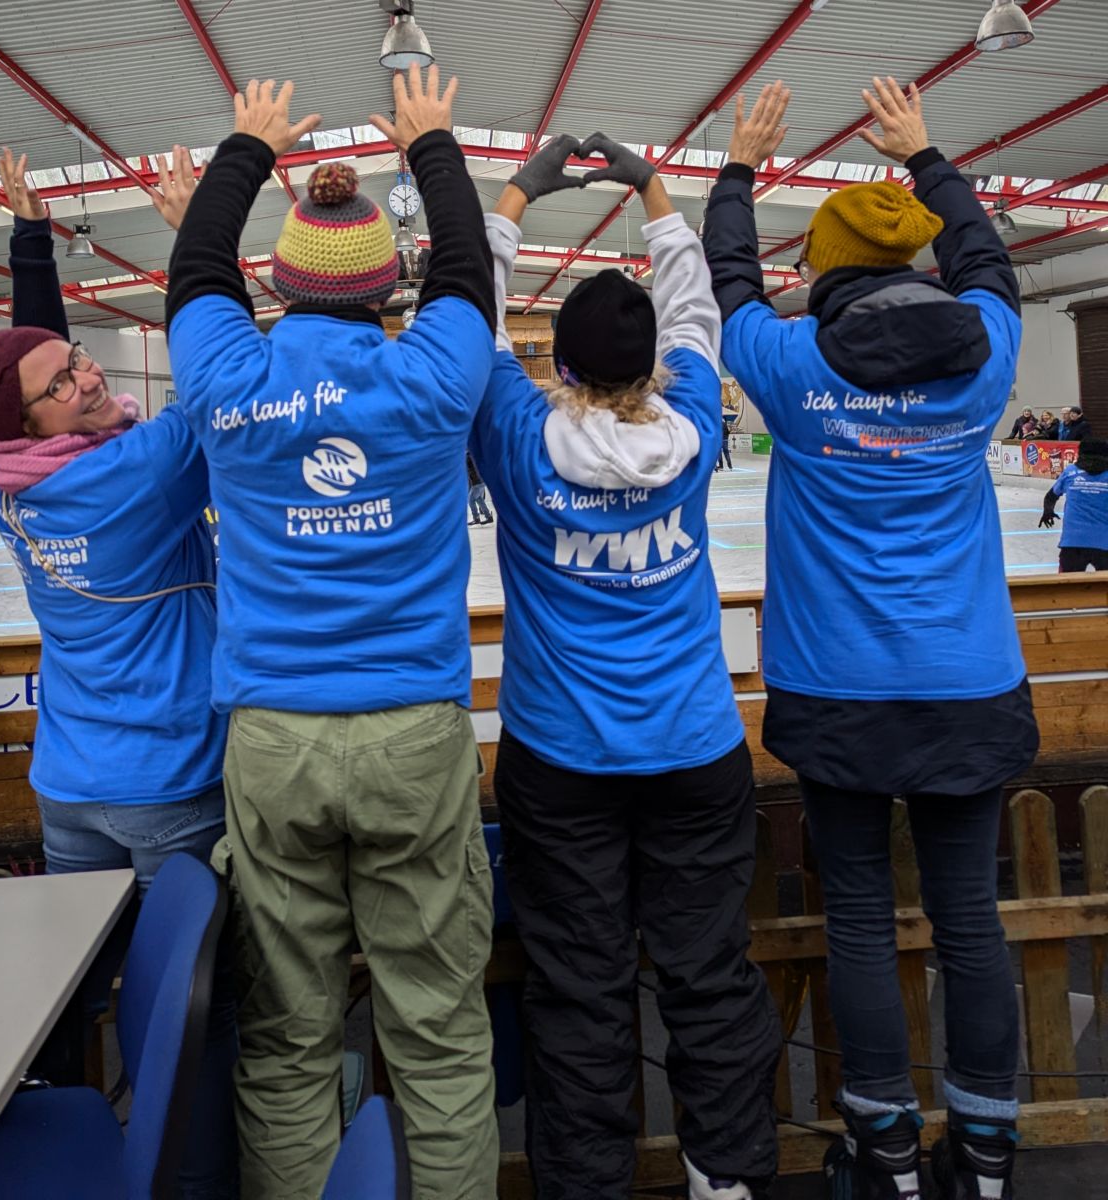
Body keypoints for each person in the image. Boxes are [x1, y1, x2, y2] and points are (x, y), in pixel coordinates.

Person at [703, 79, 1039, 1200]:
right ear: (917, 259)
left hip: (838, 685)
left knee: (856, 917)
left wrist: (739, 168)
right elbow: (990, 264)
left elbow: (730, 281)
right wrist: (929, 156)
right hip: (969, 680)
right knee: (969, 919)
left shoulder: (794, 368)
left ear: (828, 272)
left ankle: (884, 1148)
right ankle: (985, 1154)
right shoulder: (987, 355)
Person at [164, 72, 498, 1198]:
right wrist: (433, 146)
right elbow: (467, 268)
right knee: (438, 1031)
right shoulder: (432, 376)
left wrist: (247, 148)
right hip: (412, 732)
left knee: (287, 1033)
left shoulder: (227, 377)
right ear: (391, 285)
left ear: (276, 281)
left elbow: (196, 271)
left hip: (275, 737)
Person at [474, 132, 780, 1200]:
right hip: (694, 750)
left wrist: (515, 197)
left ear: (556, 365)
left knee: (579, 985)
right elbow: (695, 312)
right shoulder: (692, 418)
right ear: (653, 364)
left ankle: (587, 1181)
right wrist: (653, 190)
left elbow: (469, 322)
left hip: (561, 762)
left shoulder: (515, 431)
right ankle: (727, 1176)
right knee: (708, 973)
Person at [0, 146, 236, 1199]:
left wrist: (32, 240)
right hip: (167, 786)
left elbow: (24, 366)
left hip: (70, 787)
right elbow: (221, 372)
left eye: (79, 360)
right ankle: (192, 1187)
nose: (88, 375)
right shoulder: (138, 476)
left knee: (81, 1001)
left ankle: (70, 1153)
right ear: (35, 423)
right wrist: (199, 236)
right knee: (190, 1024)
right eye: (64, 385)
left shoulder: (13, 481)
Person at [1040, 438, 1108, 572]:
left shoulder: (1070, 472)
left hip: (1073, 541)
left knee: (1066, 582)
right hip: (1104, 542)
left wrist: (1048, 511)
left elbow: (1050, 496)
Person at [467, 452, 494, 524]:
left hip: (477, 483)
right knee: (479, 499)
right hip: (481, 481)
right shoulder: (473, 455)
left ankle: (476, 518)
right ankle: (489, 517)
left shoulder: (468, 457)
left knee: (470, 500)